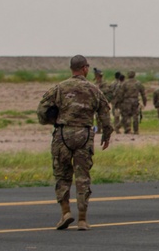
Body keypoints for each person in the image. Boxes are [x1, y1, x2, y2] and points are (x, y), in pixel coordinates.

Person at [36, 55, 112, 230]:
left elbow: (41, 110)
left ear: (71, 68)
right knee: (82, 177)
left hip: (63, 133)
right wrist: (106, 135)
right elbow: (104, 114)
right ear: (84, 68)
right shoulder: (93, 89)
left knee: (62, 175)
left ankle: (65, 213)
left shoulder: (59, 88)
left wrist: (53, 121)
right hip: (84, 134)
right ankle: (83, 219)